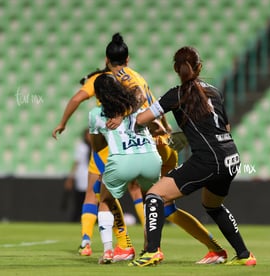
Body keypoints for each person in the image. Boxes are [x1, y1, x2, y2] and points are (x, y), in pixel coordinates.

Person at [54, 33, 227, 264]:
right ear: (128, 59)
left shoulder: (103, 79)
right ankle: (211, 248)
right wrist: (165, 132)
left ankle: (120, 245)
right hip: (159, 144)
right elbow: (153, 105)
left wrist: (64, 123)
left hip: (135, 145)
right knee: (163, 206)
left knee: (102, 192)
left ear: (107, 59)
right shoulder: (138, 76)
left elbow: (77, 100)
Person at [130, 46, 257, 267]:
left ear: (175, 69)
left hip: (208, 159)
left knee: (154, 196)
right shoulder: (214, 92)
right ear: (199, 67)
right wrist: (188, 135)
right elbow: (225, 127)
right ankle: (245, 255)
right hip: (231, 157)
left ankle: (152, 251)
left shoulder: (176, 95)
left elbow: (141, 120)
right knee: (212, 206)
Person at [89, 73, 162, 264]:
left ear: (98, 95)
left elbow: (97, 147)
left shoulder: (96, 114)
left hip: (123, 161)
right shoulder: (136, 106)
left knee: (104, 198)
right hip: (151, 160)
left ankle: (108, 251)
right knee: (151, 200)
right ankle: (152, 248)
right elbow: (153, 120)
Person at [63, 129, 92, 222]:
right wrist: (70, 177)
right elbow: (76, 163)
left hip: (94, 176)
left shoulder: (97, 146)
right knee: (80, 201)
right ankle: (77, 220)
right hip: (83, 177)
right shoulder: (82, 147)